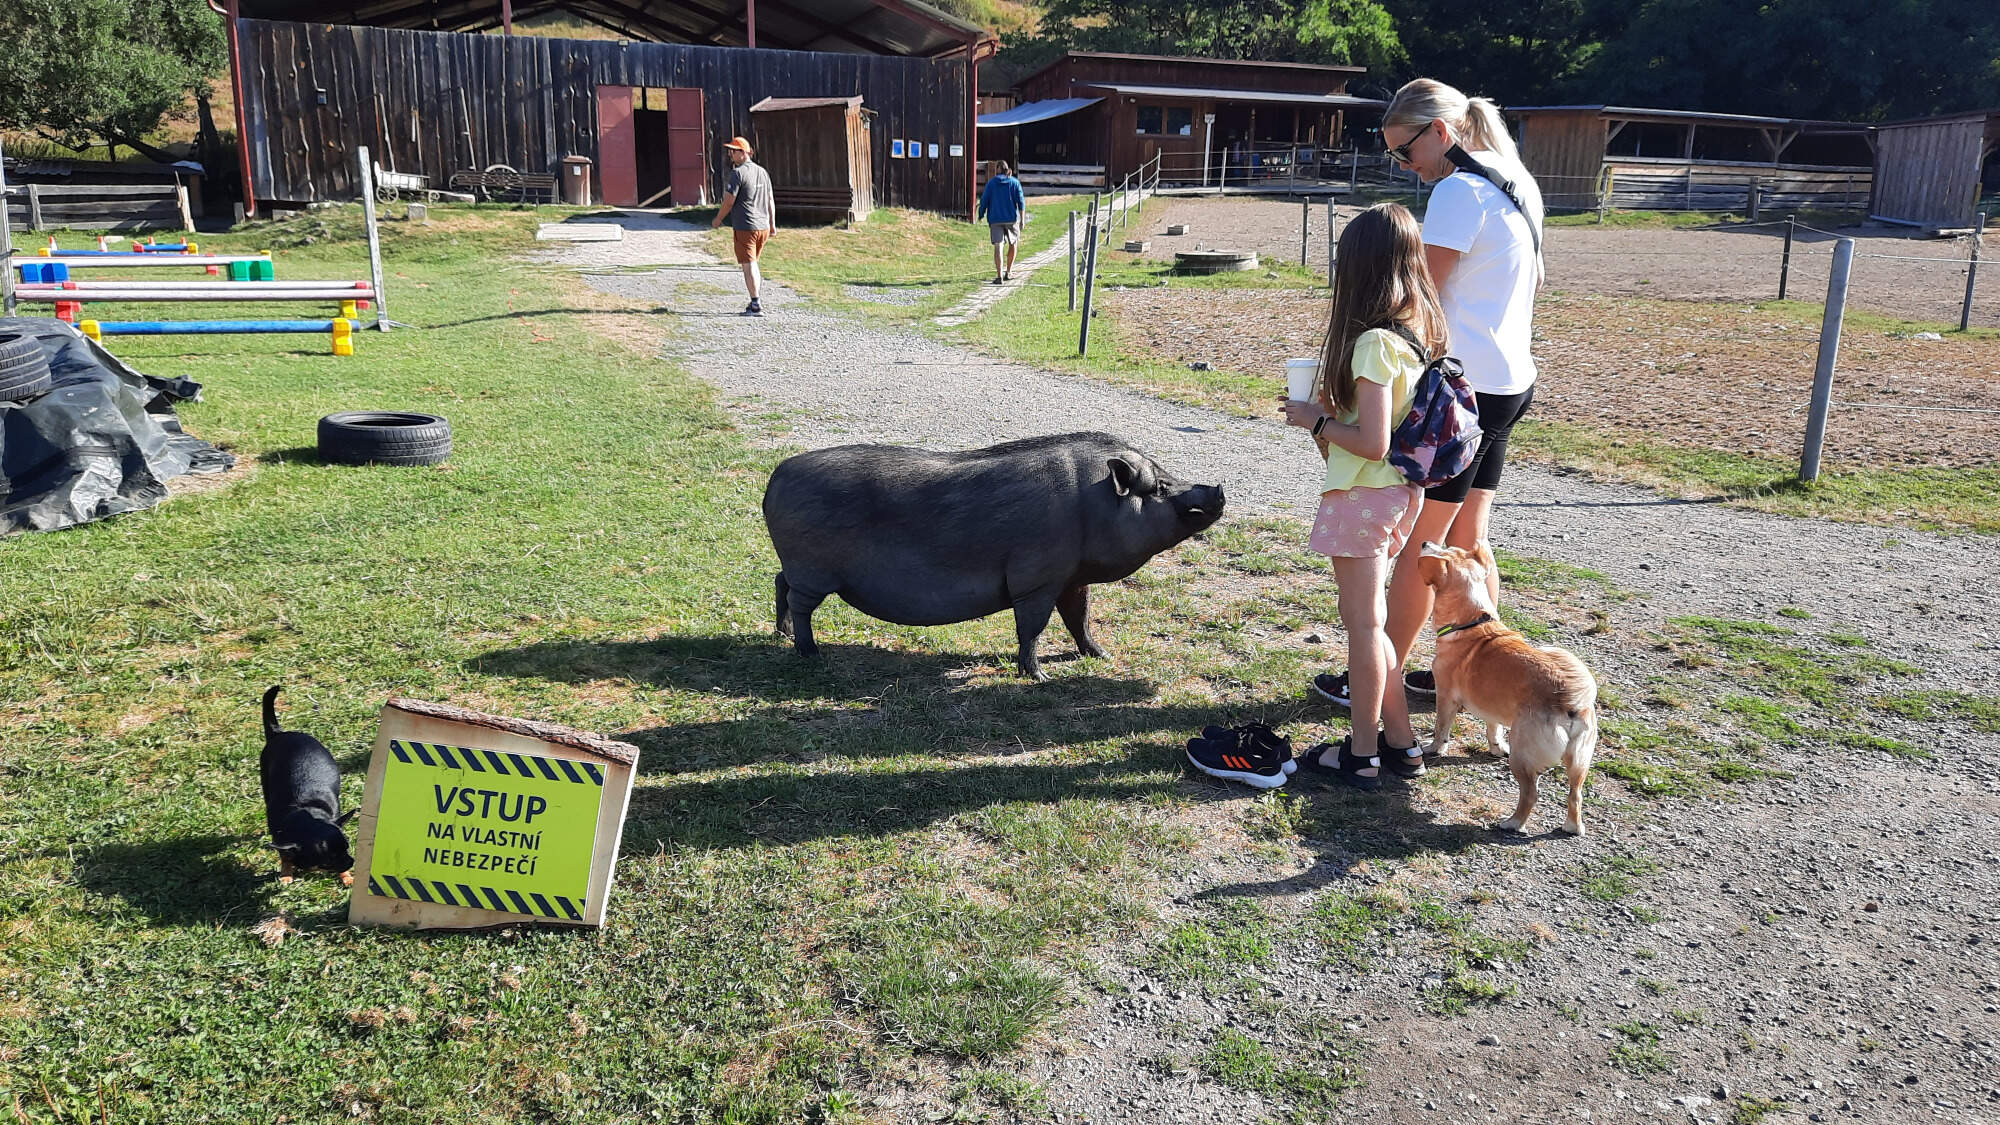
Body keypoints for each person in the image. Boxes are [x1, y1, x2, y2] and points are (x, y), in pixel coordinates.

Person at [1310, 78, 1544, 717]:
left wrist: (1366, 356)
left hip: (1459, 392)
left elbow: (1419, 297)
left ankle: (1380, 680)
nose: (1405, 166)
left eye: (1406, 151)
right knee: (1470, 535)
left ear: (1440, 132)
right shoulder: (1513, 177)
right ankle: (1470, 669)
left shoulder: (1458, 192)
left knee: (1423, 548)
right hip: (1508, 380)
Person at [1276, 202, 1448, 788]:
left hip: (1363, 496)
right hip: (1396, 495)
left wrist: (1315, 422)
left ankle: (1361, 753)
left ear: (1361, 267)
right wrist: (1328, 425)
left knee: (1364, 630)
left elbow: (1372, 442)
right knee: (1375, 628)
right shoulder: (1417, 332)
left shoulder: (1373, 341)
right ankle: (1402, 746)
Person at [710, 136, 775, 317]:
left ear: (743, 153)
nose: (730, 154)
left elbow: (729, 201)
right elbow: (770, 200)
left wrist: (718, 219)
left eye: (733, 151)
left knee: (749, 265)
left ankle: (755, 305)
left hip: (746, 226)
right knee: (753, 264)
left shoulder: (737, 173)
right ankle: (754, 300)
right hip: (762, 227)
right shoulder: (763, 172)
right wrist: (772, 224)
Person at [977, 161, 1025, 283]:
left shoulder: (991, 183)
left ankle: (999, 276)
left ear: (998, 169)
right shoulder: (1015, 183)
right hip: (1011, 219)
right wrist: (1022, 219)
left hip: (995, 219)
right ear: (1007, 169)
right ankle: (1008, 272)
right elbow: (1021, 202)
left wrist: (981, 214)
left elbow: (984, 200)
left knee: (999, 245)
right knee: (1013, 243)